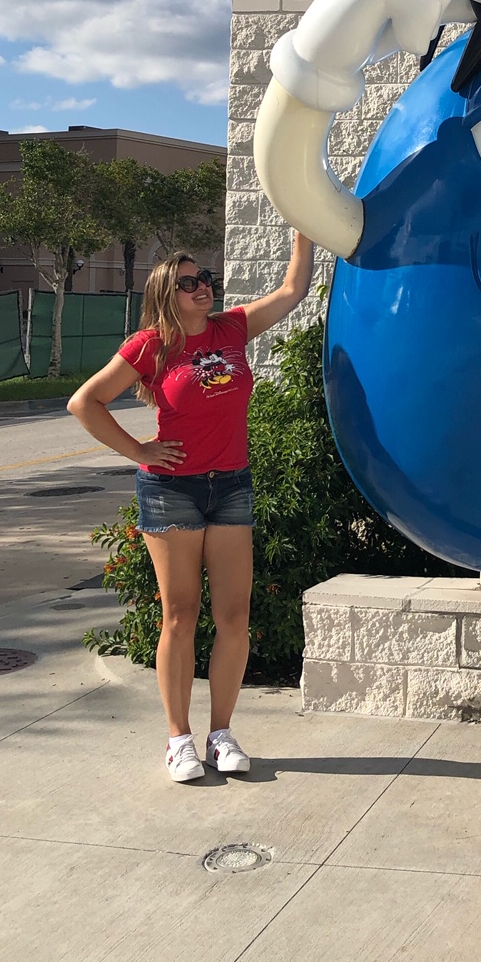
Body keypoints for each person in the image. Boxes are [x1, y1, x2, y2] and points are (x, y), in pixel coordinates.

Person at [68, 235, 314, 782]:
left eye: (205, 278)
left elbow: (293, 289)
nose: (203, 286)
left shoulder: (231, 329)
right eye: (188, 282)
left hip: (231, 487)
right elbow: (84, 402)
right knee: (180, 617)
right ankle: (178, 740)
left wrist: (303, 228)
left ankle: (220, 734)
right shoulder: (150, 346)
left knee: (234, 617)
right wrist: (138, 451)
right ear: (166, 293)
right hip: (171, 490)